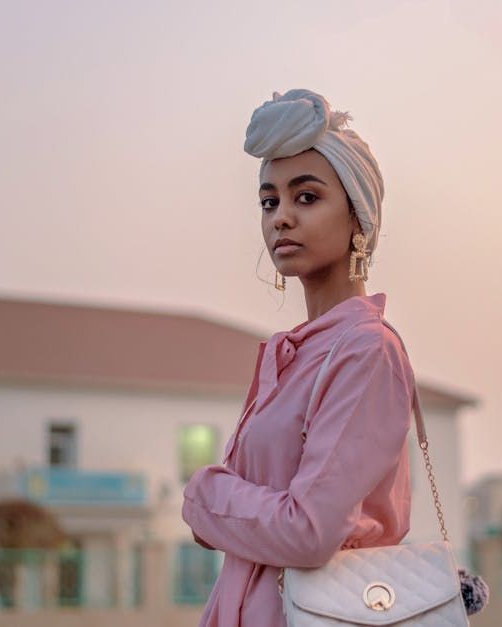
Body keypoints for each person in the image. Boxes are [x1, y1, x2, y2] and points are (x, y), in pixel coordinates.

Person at [181, 89, 417, 626]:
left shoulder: (366, 352)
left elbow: (308, 530)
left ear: (359, 216)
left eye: (306, 198)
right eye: (270, 202)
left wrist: (204, 494)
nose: (281, 217)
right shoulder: (292, 355)